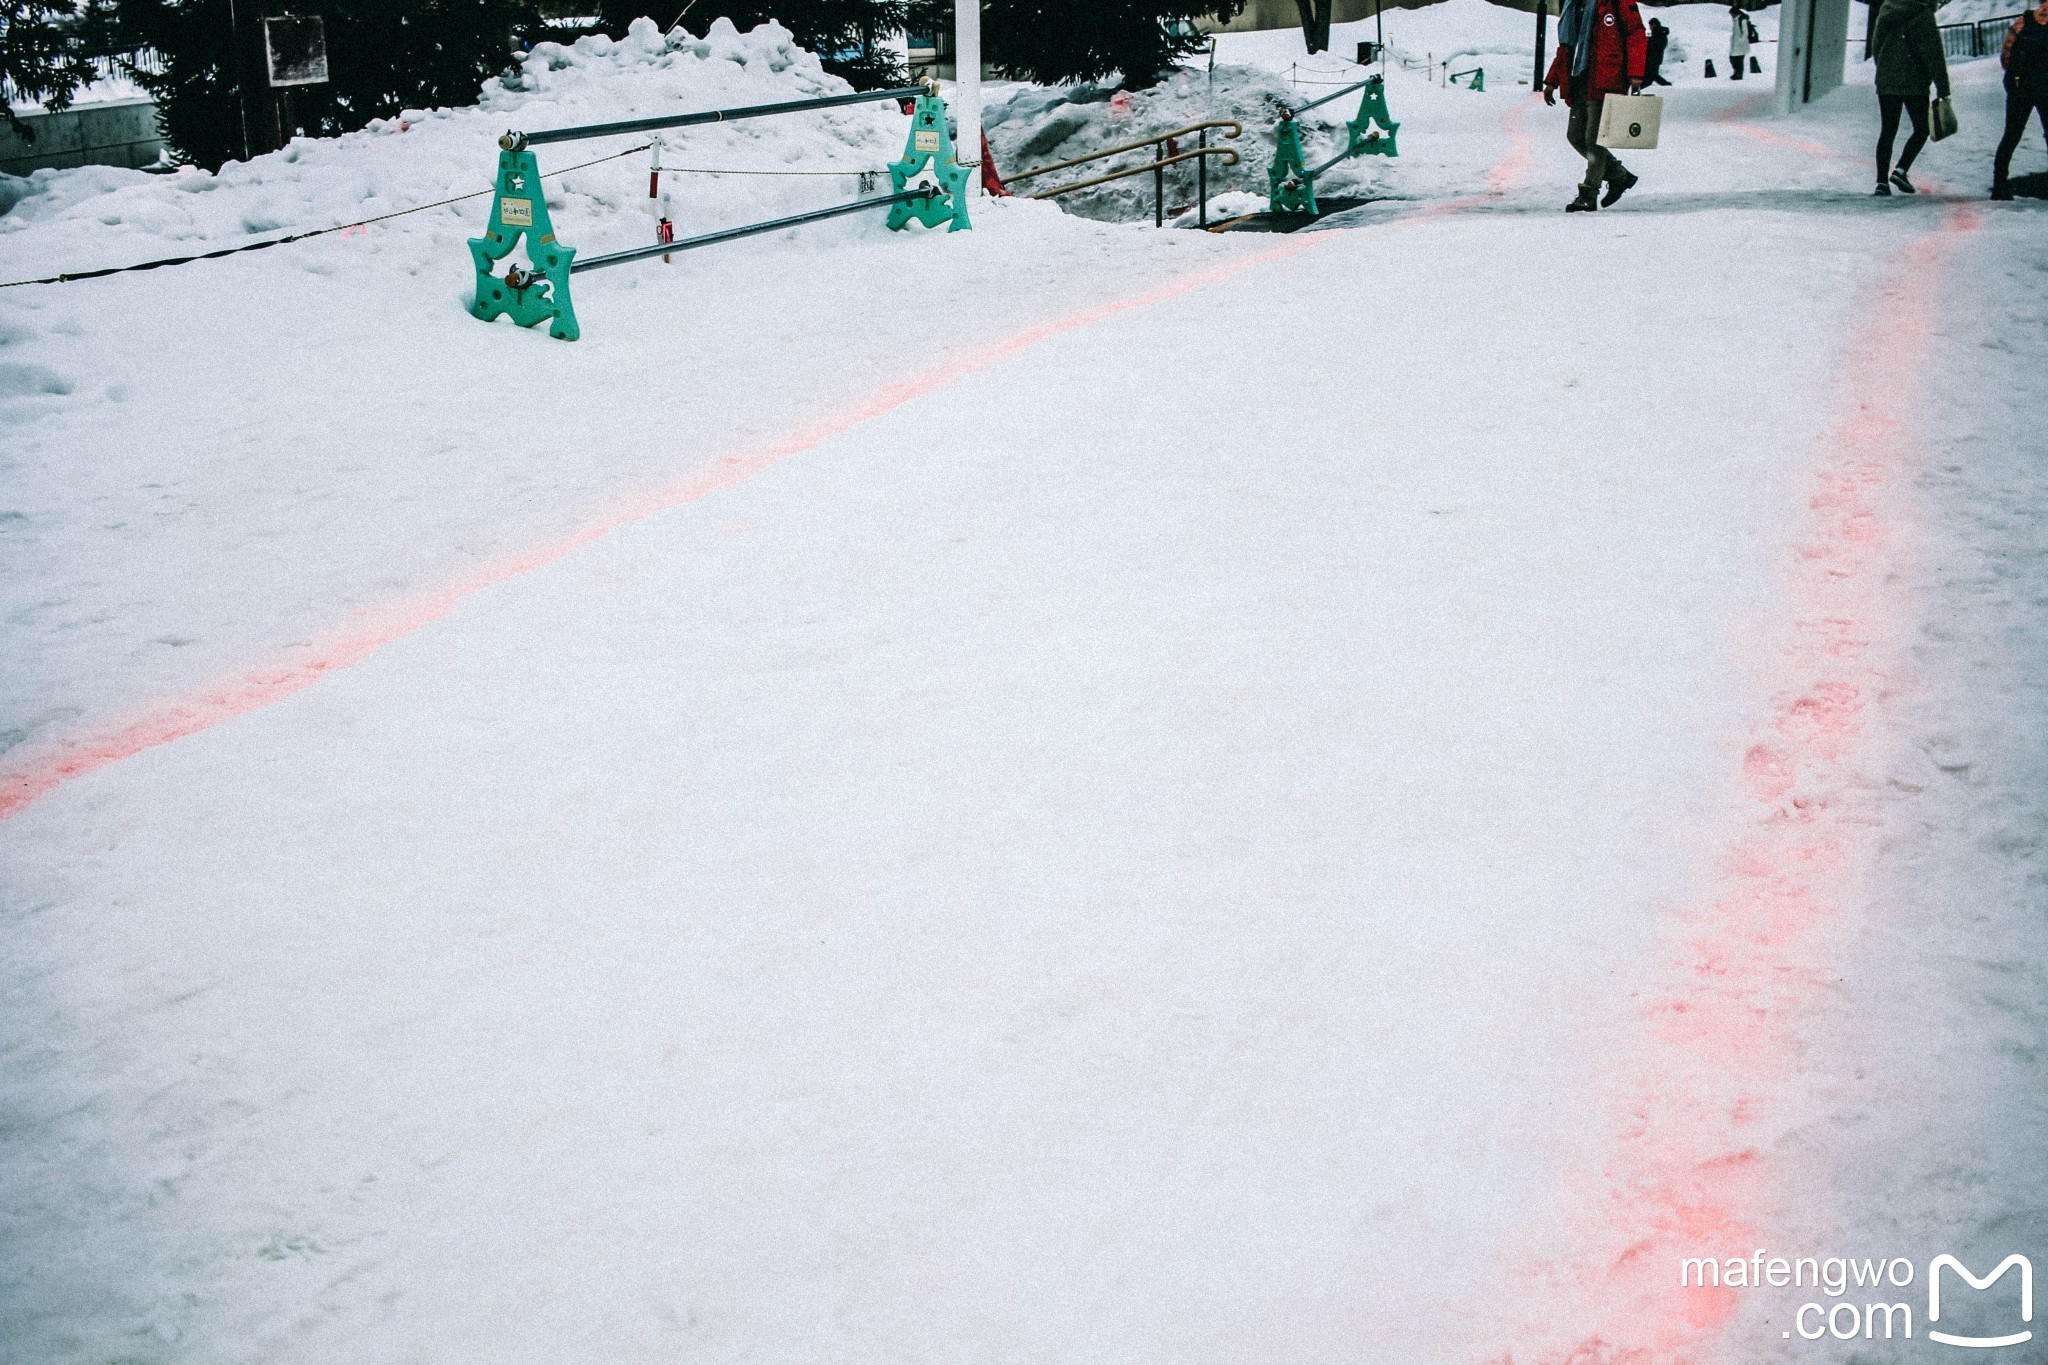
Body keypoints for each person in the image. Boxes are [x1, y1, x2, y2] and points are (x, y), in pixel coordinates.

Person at [1543, 0, 1649, 212]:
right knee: (1575, 135)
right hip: (1579, 79)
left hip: (1606, 77)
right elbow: (1566, 47)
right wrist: (1552, 81)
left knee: (1594, 139)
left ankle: (1588, 194)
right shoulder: (1570, 4)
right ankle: (1620, 176)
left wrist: (1636, 73)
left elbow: (1636, 33)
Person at [1867, 0, 1951, 195]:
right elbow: (1934, 54)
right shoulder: (1923, 14)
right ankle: (1901, 169)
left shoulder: (1887, 10)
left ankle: (1881, 183)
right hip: (1916, 82)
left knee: (1888, 131)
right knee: (1922, 128)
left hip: (1887, 80)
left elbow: (1876, 45)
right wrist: (1942, 87)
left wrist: (1886, 67)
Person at [1992, 0, 2048, 198]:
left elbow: (2006, 53)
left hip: (2020, 85)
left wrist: (2015, 75)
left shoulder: (2023, 21)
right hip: (2045, 86)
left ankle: (1999, 185)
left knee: (2011, 134)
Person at [1645, 18, 1674, 85]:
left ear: (1654, 25)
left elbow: (1655, 46)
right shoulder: (1659, 33)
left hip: (1653, 58)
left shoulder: (1658, 34)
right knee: (1652, 75)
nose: (1650, 27)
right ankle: (1666, 84)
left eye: (1650, 25)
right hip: (1655, 58)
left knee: (1652, 75)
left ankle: (1666, 84)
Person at [1729, 5, 1751, 80]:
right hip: (1735, 43)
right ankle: (1736, 73)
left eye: (1732, 14)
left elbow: (1745, 32)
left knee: (1739, 60)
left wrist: (1741, 41)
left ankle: (1738, 74)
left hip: (1741, 44)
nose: (1731, 15)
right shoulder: (1736, 20)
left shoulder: (1742, 20)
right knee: (1733, 58)